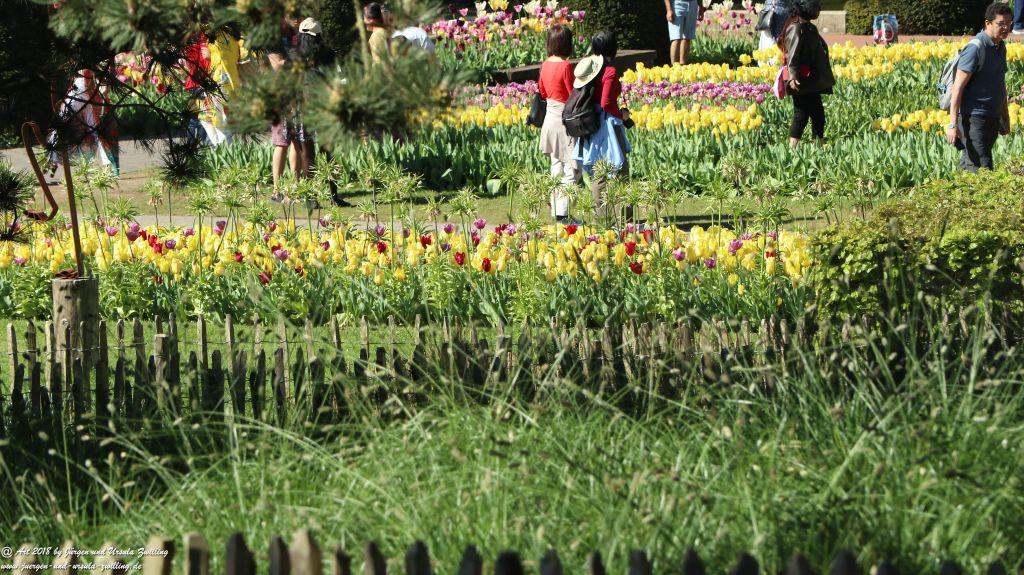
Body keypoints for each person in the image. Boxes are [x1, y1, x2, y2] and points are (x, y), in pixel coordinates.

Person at [946, 2, 1012, 172]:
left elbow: (1000, 84)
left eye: (1009, 23)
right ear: (987, 23)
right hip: (974, 118)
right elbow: (957, 88)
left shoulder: (1000, 47)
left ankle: (953, 197)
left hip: (991, 118)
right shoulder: (975, 48)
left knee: (969, 166)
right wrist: (953, 125)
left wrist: (1005, 117)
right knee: (982, 169)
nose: (1005, 27)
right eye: (1001, 24)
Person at [573, 31, 631, 221]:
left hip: (591, 124)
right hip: (607, 125)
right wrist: (622, 114)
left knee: (599, 172)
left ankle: (603, 218)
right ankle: (625, 218)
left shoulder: (590, 68)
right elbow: (606, 102)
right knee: (620, 168)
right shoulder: (610, 71)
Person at [778, 0, 834, 147]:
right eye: (816, 5)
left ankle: (818, 144)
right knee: (802, 114)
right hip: (801, 79)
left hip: (810, 79)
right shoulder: (797, 28)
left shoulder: (807, 26)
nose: (819, 8)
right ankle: (793, 149)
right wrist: (792, 77)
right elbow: (793, 55)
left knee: (816, 113)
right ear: (805, 7)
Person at [268, 15, 311, 200]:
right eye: (294, 16)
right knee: (281, 142)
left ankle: (296, 186)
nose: (297, 19)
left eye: (299, 16)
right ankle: (276, 190)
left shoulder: (299, 36)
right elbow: (278, 66)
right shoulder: (273, 39)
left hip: (298, 93)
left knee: (296, 141)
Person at [538, 25, 579, 222]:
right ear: (566, 43)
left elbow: (542, 92)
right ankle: (563, 213)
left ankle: (556, 210)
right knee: (572, 167)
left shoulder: (545, 65)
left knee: (556, 165)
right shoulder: (565, 66)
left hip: (549, 117)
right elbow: (573, 93)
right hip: (565, 119)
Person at [48, 68, 120, 176]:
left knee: (95, 128)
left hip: (87, 92)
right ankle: (52, 159)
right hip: (83, 91)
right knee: (96, 128)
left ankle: (52, 160)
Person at [198, 26, 244, 146]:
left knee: (216, 118)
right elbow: (240, 55)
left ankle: (222, 147)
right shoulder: (234, 34)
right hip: (232, 80)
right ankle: (221, 147)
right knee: (213, 116)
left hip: (220, 79)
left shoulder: (214, 33)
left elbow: (206, 55)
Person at [665, 0, 699, 65]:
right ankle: (674, 69)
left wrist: (701, 7)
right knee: (676, 38)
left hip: (693, 5)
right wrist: (669, 10)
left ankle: (683, 67)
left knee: (687, 38)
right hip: (677, 5)